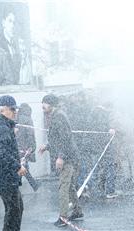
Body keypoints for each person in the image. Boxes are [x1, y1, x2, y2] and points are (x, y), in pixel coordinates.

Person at [38, 94, 83, 227]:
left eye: (44, 102)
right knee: (69, 186)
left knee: (63, 186)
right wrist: (47, 146)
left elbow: (65, 138)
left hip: (67, 158)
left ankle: (63, 217)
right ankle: (77, 211)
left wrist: (61, 157)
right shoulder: (56, 115)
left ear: (51, 103)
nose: (42, 105)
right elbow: (57, 139)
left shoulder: (59, 116)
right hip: (68, 156)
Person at [0, 95, 27, 231]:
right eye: (13, 109)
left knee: (15, 208)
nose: (16, 112)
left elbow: (2, 149)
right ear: (3, 110)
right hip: (5, 176)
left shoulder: (2, 125)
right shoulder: (1, 127)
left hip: (3, 175)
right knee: (15, 209)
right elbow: (0, 152)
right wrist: (17, 166)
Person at [15, 103, 39, 191]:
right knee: (23, 167)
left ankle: (32, 184)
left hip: (18, 146)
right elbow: (30, 134)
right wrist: (32, 146)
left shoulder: (17, 118)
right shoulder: (27, 119)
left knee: (22, 166)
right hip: (24, 147)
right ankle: (33, 184)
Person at [0, 10, 21, 84]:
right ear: (3, 23)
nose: (12, 26)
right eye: (10, 21)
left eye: (14, 22)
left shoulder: (18, 44)